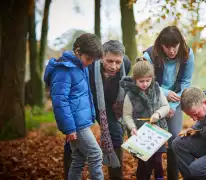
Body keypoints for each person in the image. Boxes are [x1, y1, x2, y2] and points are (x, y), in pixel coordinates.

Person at [43, 33, 104, 180]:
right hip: (76, 124)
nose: (90, 63)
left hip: (80, 121)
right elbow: (59, 101)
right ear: (77, 51)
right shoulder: (64, 69)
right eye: (88, 58)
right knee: (96, 154)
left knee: (78, 158)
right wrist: (69, 127)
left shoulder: (79, 66)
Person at [143, 25, 194, 180]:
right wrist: (165, 93)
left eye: (175, 46)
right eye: (167, 47)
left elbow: (186, 81)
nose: (172, 51)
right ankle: (145, 175)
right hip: (152, 100)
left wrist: (171, 106)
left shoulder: (187, 54)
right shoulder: (149, 55)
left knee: (174, 140)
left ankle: (172, 176)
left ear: (180, 43)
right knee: (151, 141)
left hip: (176, 100)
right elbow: (146, 81)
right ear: (161, 45)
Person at [121, 57, 170, 180]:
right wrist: (132, 127)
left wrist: (158, 114)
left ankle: (159, 178)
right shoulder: (130, 94)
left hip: (157, 131)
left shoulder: (157, 90)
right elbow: (127, 115)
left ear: (152, 78)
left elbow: (165, 106)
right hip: (140, 133)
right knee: (144, 163)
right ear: (135, 79)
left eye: (148, 80)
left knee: (158, 161)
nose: (145, 84)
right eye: (141, 81)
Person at [89, 40, 131, 180]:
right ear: (101, 57)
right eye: (109, 61)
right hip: (96, 101)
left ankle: (116, 176)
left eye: (117, 62)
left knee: (117, 134)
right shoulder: (90, 67)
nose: (114, 66)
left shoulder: (126, 64)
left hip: (114, 101)